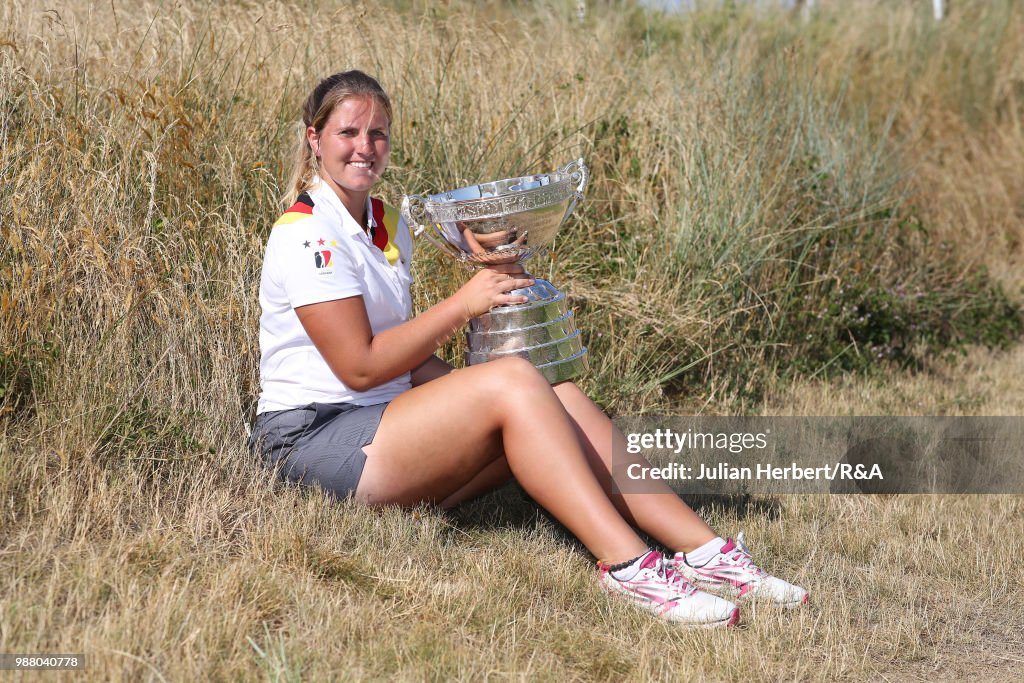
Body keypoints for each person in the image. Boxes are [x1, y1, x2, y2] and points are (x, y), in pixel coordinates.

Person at [249, 70, 808, 628]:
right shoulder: (306, 234)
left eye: (379, 134)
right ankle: (630, 567)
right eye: (349, 132)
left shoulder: (387, 223)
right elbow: (361, 365)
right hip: (312, 436)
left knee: (548, 389)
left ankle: (706, 552)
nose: (365, 148)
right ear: (314, 138)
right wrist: (464, 306)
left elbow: (407, 357)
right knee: (515, 381)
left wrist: (492, 287)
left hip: (383, 426)